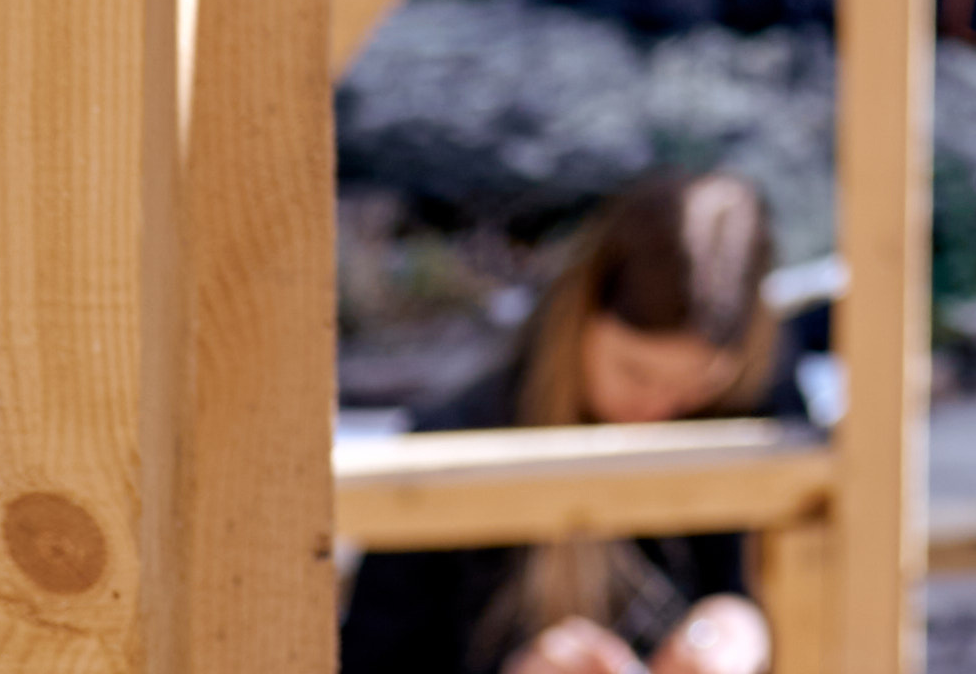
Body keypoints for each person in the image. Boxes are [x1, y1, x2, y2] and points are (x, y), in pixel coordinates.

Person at [338, 172, 793, 674]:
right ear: (584, 315)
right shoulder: (457, 440)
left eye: (693, 389)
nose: (659, 410)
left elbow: (757, 582)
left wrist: (736, 630)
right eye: (635, 373)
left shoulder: (754, 408)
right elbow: (371, 658)